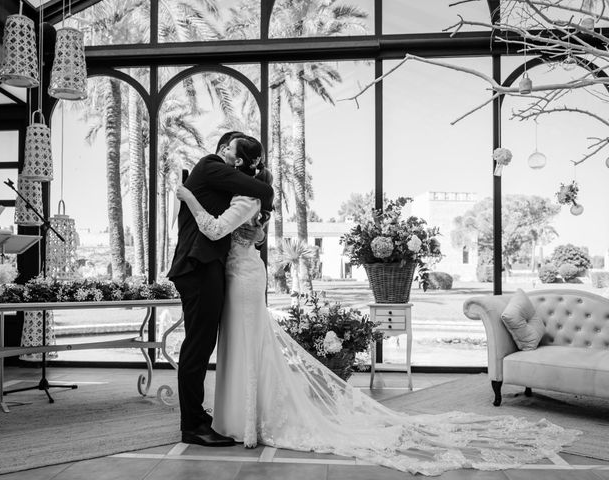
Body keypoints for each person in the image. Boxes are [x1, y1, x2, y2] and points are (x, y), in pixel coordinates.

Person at [175, 139, 580, 475]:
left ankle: (239, 418)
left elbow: (216, 227)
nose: (227, 165)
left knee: (243, 344)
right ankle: (225, 416)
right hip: (232, 275)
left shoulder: (240, 194)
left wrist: (187, 195)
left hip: (241, 278)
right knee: (232, 345)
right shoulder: (230, 185)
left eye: (235, 162)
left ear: (240, 166)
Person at [167, 131, 273, 447]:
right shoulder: (210, 164)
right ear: (223, 151)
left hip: (209, 268)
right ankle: (192, 425)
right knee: (198, 346)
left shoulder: (224, 184)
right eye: (230, 150)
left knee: (202, 344)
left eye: (237, 154)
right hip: (197, 267)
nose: (231, 157)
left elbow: (251, 199)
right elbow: (260, 188)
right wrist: (265, 195)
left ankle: (198, 418)